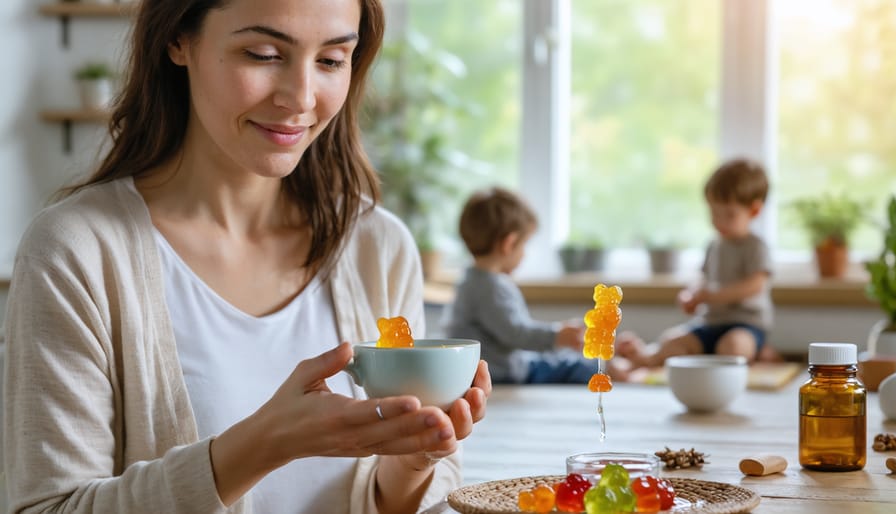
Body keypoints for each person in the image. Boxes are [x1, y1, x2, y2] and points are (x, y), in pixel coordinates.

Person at [3, 1, 491, 513]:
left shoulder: (377, 246)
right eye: (262, 54)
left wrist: (412, 460)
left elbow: (394, 502)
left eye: (330, 61)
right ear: (178, 41)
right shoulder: (76, 251)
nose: (301, 98)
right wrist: (265, 443)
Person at [616, 158, 777, 373]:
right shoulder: (714, 245)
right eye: (714, 213)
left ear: (754, 211)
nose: (719, 222)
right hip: (710, 323)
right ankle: (648, 357)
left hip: (746, 325)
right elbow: (703, 279)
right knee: (673, 340)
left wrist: (712, 295)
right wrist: (692, 294)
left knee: (733, 347)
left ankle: (758, 352)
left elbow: (755, 285)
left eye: (729, 214)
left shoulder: (755, 247)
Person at [442, 187, 604, 385]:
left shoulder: (472, 280)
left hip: (506, 363)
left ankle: (618, 365)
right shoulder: (489, 288)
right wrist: (556, 335)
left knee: (560, 361)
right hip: (503, 371)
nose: (524, 254)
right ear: (508, 244)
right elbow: (516, 334)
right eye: (524, 246)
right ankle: (616, 371)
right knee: (573, 366)